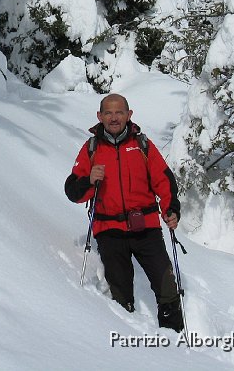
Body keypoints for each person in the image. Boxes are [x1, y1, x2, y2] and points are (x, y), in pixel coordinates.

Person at [65, 93, 184, 332]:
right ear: (99, 116)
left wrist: (171, 210)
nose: (114, 118)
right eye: (108, 113)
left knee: (166, 285)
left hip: (146, 228)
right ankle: (128, 341)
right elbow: (73, 191)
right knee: (120, 291)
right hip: (109, 231)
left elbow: (164, 180)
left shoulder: (142, 146)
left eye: (119, 112)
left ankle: (175, 340)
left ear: (129, 115)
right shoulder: (91, 148)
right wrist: (89, 180)